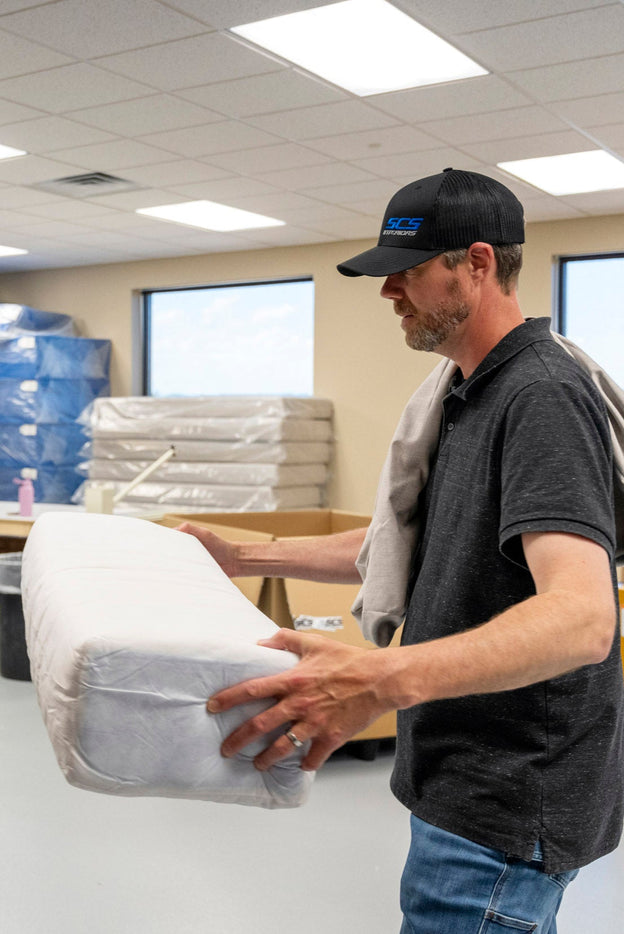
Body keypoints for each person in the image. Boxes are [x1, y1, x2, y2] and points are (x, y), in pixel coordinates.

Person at [180, 168, 623, 934]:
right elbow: (418, 545)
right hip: (463, 777)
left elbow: (582, 618)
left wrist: (379, 678)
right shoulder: (467, 392)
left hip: (506, 796)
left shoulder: (540, 396)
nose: (388, 292)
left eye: (407, 272)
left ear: (476, 264)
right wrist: (243, 558)